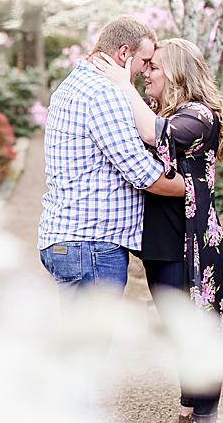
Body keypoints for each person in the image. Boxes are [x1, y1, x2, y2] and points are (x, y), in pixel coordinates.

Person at [90, 38, 223, 423]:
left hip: (193, 242)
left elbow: (156, 134)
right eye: (146, 66)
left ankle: (206, 412)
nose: (146, 72)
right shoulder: (160, 108)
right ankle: (190, 406)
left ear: (178, 72)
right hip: (161, 241)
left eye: (154, 67)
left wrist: (123, 84)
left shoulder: (199, 116)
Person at [38, 16, 186, 301]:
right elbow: (143, 174)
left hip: (74, 241)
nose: (145, 71)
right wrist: (194, 186)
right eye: (145, 61)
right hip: (91, 245)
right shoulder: (103, 93)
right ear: (123, 54)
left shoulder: (74, 85)